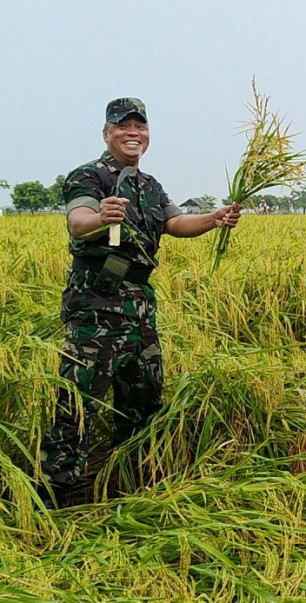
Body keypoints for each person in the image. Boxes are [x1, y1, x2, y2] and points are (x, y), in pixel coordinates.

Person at [39, 97, 242, 507]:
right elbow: (78, 222)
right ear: (107, 134)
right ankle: (57, 490)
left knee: (143, 397)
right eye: (123, 126)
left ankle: (126, 477)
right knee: (79, 399)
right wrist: (102, 218)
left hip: (140, 305)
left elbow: (173, 222)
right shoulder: (90, 177)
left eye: (140, 126)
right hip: (97, 305)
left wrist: (214, 218)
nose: (133, 133)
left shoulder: (148, 185)